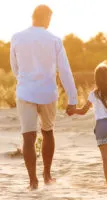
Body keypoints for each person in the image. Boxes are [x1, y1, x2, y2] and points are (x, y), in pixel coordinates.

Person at [10, 5, 77, 190]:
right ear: (46, 17)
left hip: (25, 92)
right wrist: (72, 100)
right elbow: (65, 71)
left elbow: (15, 68)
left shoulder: (17, 37)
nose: (50, 22)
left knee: (28, 137)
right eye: (50, 18)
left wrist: (26, 81)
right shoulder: (54, 39)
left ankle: (33, 181)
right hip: (48, 93)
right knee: (48, 132)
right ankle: (47, 175)